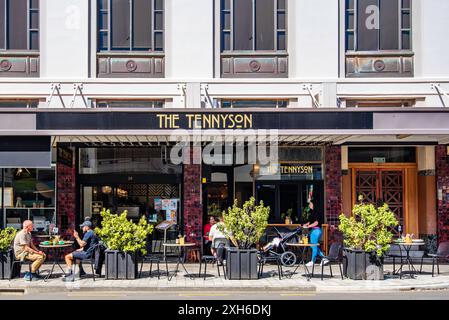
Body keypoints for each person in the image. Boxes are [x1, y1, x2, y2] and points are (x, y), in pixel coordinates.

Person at [302, 201, 328, 267]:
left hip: (316, 230)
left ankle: (312, 261)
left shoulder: (317, 212)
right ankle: (324, 258)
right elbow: (310, 222)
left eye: (310, 204)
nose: (309, 205)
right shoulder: (312, 212)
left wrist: (308, 226)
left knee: (314, 246)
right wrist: (305, 225)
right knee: (312, 245)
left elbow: (316, 223)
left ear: (314, 204)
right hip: (313, 231)